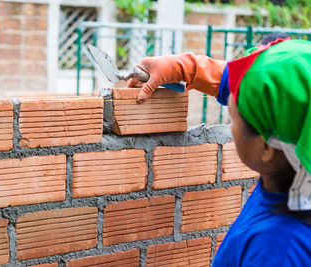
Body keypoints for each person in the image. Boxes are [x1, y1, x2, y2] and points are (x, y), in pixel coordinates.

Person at [128, 37, 311, 266]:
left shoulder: (277, 250)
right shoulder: (296, 167)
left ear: (266, 146)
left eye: (232, 118)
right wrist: (188, 68)